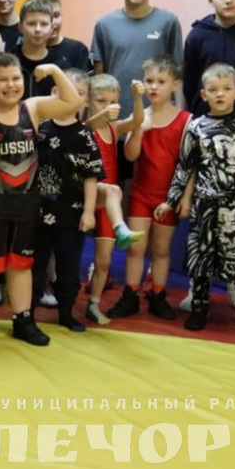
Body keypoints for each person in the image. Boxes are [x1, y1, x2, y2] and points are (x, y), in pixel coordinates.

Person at [0, 54, 83, 349]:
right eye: (2, 80)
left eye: (15, 78)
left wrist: (55, 71)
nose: (10, 85)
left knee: (21, 264)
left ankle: (24, 320)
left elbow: (72, 102)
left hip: (26, 202)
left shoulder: (32, 108)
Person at [157, 63, 235, 335]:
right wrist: (172, 199)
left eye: (226, 89)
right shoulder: (196, 126)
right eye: (213, 89)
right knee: (201, 258)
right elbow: (185, 166)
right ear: (204, 94)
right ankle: (199, 307)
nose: (220, 94)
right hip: (205, 204)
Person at [110, 54, 191, 320]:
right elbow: (130, 155)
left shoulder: (186, 120)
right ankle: (131, 294)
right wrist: (139, 129)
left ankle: (157, 294)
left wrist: (184, 197)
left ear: (175, 84)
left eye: (161, 81)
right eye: (149, 81)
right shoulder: (139, 116)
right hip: (141, 194)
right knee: (135, 247)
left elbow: (189, 164)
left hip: (168, 196)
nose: (154, 86)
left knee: (161, 249)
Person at [31, 69, 110, 333]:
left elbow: (91, 176)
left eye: (79, 94)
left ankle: (66, 312)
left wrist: (88, 212)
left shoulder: (84, 136)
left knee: (69, 266)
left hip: (71, 214)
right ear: (55, 92)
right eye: (66, 91)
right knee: (35, 265)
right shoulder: (40, 129)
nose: (72, 98)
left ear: (85, 101)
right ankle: (27, 311)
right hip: (38, 213)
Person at [83, 74, 147, 324]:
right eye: (101, 100)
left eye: (112, 102)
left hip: (107, 202)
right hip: (86, 194)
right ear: (88, 101)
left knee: (103, 261)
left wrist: (138, 97)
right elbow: (91, 123)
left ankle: (94, 303)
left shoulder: (113, 127)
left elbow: (138, 120)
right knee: (65, 253)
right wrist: (103, 113)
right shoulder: (85, 126)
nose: (107, 106)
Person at [91, 0, 183, 117]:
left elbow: (178, 72)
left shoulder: (168, 22)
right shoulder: (104, 24)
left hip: (158, 115)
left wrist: (179, 114)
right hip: (115, 115)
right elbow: (99, 79)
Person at [15, 0, 75, 97]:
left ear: (51, 28)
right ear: (20, 26)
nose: (38, 30)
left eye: (44, 24)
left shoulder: (61, 64)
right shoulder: (8, 61)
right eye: (31, 24)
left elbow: (70, 101)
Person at [29, 0, 90, 74]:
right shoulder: (25, 51)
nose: (53, 22)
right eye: (46, 16)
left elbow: (85, 81)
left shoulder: (78, 49)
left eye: (56, 15)